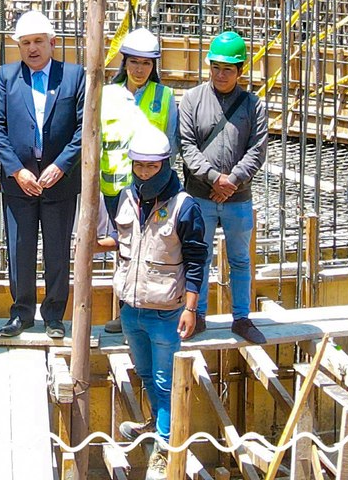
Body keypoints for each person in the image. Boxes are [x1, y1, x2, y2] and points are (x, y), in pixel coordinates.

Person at [99, 124, 206, 478]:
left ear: (165, 164)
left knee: (164, 380)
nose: (145, 172)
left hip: (166, 311)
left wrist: (191, 307)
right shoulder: (126, 196)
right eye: (139, 165)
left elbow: (195, 259)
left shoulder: (183, 206)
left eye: (152, 166)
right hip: (132, 309)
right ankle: (156, 425)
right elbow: (131, 241)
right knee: (145, 373)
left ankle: (164, 445)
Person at [0, 8, 87, 339]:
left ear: (52, 43)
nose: (32, 49)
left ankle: (55, 315)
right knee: (20, 248)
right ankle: (22, 312)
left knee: (57, 250)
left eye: (39, 42)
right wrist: (16, 171)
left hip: (59, 181)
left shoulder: (74, 76)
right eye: (26, 43)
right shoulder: (7, 76)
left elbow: (84, 127)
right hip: (21, 183)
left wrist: (62, 165)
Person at [178, 30, 269, 344]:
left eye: (227, 68)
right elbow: (187, 146)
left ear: (240, 70)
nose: (220, 74)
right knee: (197, 257)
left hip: (238, 198)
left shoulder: (253, 105)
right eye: (216, 67)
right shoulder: (191, 100)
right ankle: (198, 314)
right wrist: (215, 178)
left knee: (240, 259)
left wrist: (233, 180)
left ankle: (241, 318)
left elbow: (257, 149)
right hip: (200, 197)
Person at [98, 27, 176, 333]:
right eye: (134, 62)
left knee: (149, 253)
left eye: (146, 63)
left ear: (154, 65)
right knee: (122, 253)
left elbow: (172, 143)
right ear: (125, 62)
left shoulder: (165, 97)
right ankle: (124, 314)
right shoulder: (107, 95)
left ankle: (143, 313)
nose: (140, 69)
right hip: (114, 189)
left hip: (150, 189)